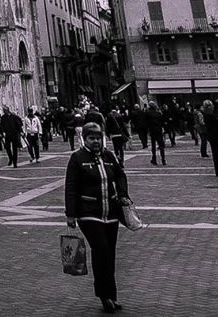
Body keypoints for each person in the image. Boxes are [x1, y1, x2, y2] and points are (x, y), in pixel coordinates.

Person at [64, 118, 130, 315]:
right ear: (84, 139)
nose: (95, 141)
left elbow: (120, 175)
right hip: (88, 213)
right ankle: (104, 296)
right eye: (91, 138)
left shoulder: (108, 156)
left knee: (110, 253)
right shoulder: (77, 158)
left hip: (110, 212)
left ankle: (111, 295)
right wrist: (71, 214)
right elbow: (71, 187)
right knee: (101, 250)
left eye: (98, 138)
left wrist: (123, 194)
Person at [202, 101, 218, 177]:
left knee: (216, 154)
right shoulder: (210, 116)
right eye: (212, 106)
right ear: (208, 107)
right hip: (215, 137)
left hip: (213, 136)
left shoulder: (208, 115)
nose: (213, 107)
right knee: (216, 154)